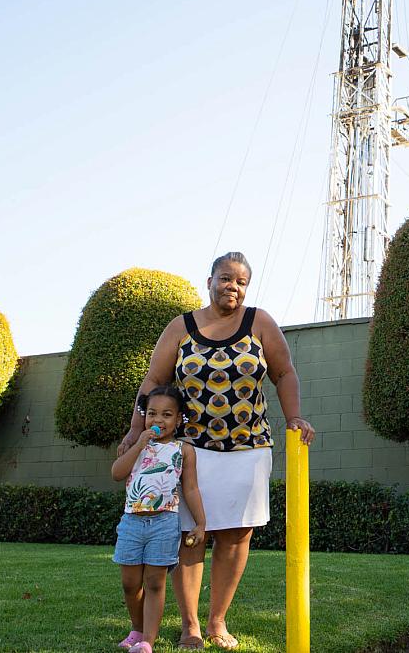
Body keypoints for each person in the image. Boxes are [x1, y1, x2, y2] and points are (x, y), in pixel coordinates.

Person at [118, 251, 315, 651]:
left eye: (241, 282)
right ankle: (190, 626)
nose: (234, 287)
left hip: (249, 448)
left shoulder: (260, 322)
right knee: (191, 536)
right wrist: (136, 429)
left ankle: (217, 623)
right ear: (209, 281)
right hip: (191, 450)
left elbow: (283, 372)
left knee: (236, 536)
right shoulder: (181, 327)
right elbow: (154, 379)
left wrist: (295, 417)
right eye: (226, 279)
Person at [111, 384, 207, 653]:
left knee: (155, 582)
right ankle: (137, 628)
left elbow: (190, 488)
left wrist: (201, 523)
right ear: (144, 417)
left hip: (164, 523)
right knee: (130, 584)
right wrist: (138, 443)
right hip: (132, 522)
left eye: (167, 415)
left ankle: (147, 642)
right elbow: (117, 474)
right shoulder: (135, 445)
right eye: (152, 413)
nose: (158, 420)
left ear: (178, 420)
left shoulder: (183, 450)